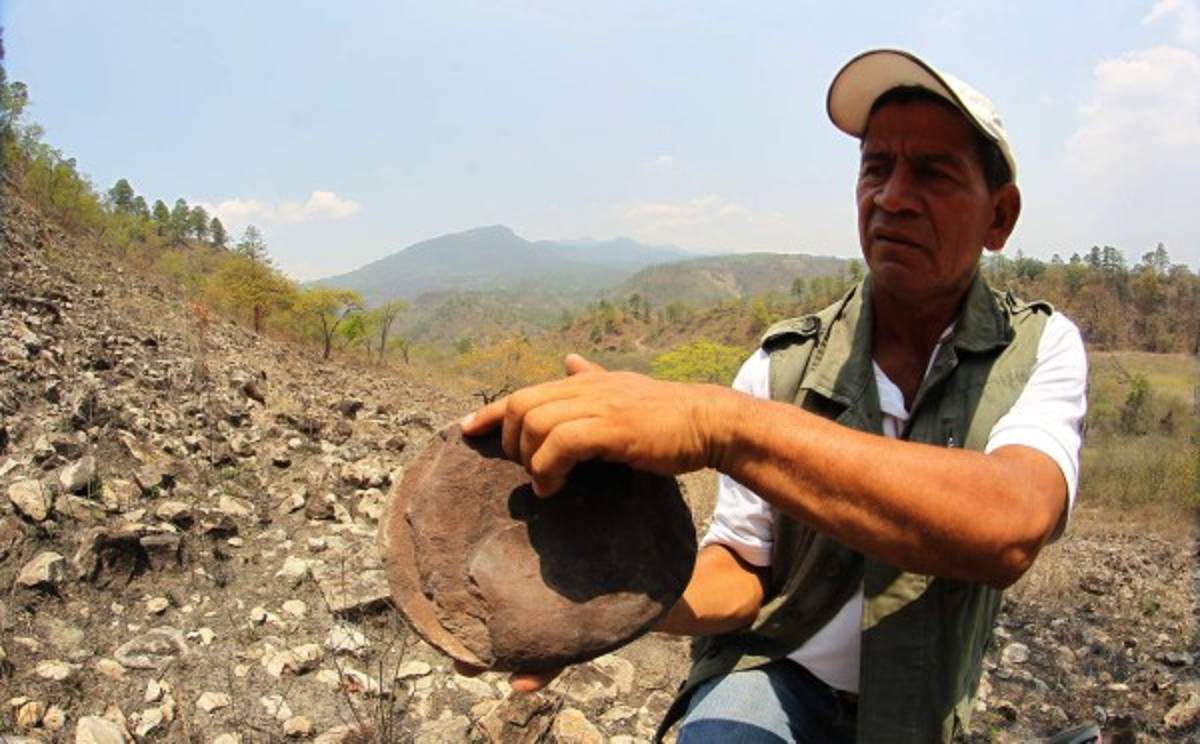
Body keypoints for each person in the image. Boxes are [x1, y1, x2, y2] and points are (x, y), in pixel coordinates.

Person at [459, 48, 1087, 743]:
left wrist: (719, 424)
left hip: (920, 708)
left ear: (1000, 216)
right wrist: (612, 598)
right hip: (777, 673)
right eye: (875, 168)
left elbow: (1010, 524)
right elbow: (742, 573)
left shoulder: (1038, 349)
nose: (892, 196)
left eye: (933, 173)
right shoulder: (784, 364)